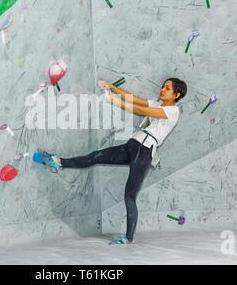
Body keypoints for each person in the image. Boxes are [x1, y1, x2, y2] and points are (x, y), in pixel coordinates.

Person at [33, 78, 187, 244]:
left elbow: (141, 110)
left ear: (176, 94)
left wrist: (113, 100)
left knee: (130, 195)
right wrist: (112, 87)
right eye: (163, 86)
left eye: (168, 88)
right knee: (96, 156)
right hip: (132, 145)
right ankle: (58, 162)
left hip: (144, 151)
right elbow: (133, 99)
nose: (163, 89)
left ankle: (128, 238)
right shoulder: (158, 103)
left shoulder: (173, 111)